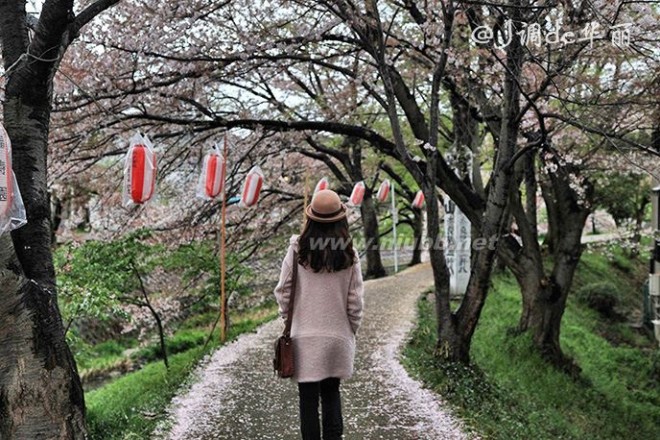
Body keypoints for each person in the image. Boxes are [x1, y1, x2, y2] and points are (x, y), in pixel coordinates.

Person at [274, 189, 364, 440]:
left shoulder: (297, 250)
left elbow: (283, 291)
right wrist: (349, 330)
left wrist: (290, 321)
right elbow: (355, 302)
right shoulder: (349, 254)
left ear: (311, 218)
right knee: (332, 396)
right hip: (337, 337)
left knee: (308, 402)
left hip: (304, 337)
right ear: (341, 220)